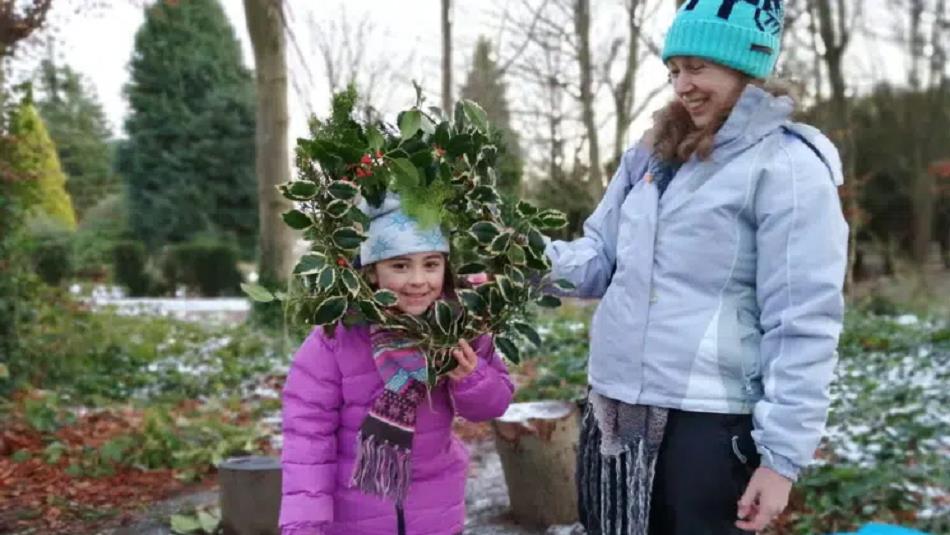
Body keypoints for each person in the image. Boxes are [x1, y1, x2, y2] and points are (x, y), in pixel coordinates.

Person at [545, 1, 848, 534]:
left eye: (698, 67)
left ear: (745, 67)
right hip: (614, 413)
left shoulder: (787, 167)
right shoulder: (650, 159)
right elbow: (597, 261)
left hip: (706, 427)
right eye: (674, 70)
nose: (682, 85)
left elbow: (803, 320)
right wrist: (512, 257)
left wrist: (781, 459)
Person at [279, 194, 515, 535]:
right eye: (400, 265)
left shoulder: (459, 328)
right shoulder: (337, 339)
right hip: (355, 513)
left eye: (431, 264)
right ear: (373, 272)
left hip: (435, 509)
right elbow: (307, 440)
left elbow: (495, 402)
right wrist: (305, 524)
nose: (418, 280)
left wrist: (472, 378)